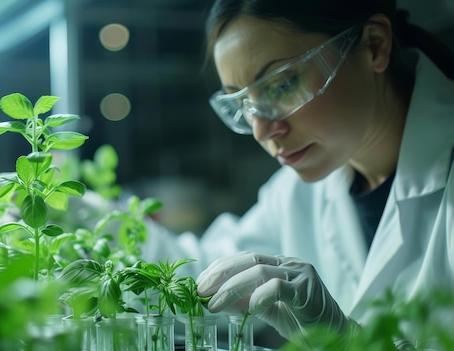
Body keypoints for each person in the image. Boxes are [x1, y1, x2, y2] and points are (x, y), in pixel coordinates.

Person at [142, 0, 454, 348]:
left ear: (374, 45)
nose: (262, 130)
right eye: (242, 102)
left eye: (282, 84)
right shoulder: (296, 192)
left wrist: (347, 342)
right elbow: (206, 279)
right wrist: (94, 219)